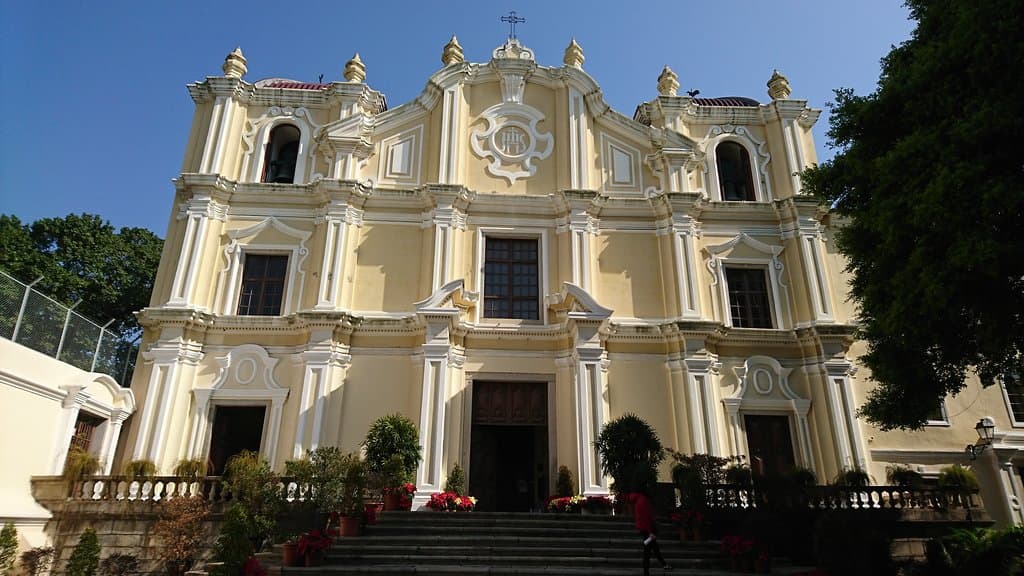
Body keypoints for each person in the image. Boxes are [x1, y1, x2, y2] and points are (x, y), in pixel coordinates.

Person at [628, 491, 672, 574]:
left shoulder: (638, 501)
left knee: (654, 548)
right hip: (647, 530)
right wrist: (650, 532)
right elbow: (646, 517)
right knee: (648, 551)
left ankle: (663, 564)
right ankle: (647, 570)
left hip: (644, 529)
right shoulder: (643, 501)